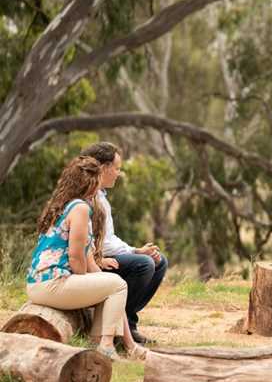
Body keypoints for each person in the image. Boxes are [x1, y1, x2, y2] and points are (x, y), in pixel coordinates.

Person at [25, 156, 147, 360]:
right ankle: (106, 346)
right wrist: (87, 281)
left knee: (113, 284)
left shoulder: (61, 205)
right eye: (98, 179)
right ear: (91, 181)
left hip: (37, 285)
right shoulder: (80, 208)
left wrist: (98, 282)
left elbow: (89, 261)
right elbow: (75, 258)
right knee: (117, 284)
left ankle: (126, 345)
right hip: (52, 284)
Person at [80, 142, 167, 345]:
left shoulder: (101, 196)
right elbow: (94, 243)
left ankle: (128, 322)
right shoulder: (89, 198)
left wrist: (135, 250)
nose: (118, 174)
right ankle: (116, 326)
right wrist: (102, 259)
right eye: (117, 168)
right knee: (144, 264)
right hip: (91, 261)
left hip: (103, 255)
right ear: (103, 168)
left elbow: (108, 238)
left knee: (159, 261)